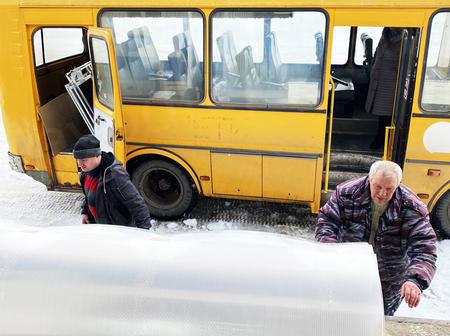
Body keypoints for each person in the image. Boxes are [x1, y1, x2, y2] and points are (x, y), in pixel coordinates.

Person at [315, 160, 437, 316]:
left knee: (378, 319)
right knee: (344, 315)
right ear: (369, 179)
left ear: (398, 185)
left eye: (389, 189)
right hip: (347, 271)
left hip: (388, 281)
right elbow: (327, 221)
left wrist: (414, 280)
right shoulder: (346, 193)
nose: (382, 193)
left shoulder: (412, 207)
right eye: (377, 187)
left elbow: (425, 248)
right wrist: (330, 249)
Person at [73, 134, 152, 229]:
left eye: (84, 160)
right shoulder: (85, 174)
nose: (80, 164)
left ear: (97, 155)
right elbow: (88, 196)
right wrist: (85, 212)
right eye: (77, 160)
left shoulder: (114, 174)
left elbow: (136, 203)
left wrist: (144, 231)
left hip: (119, 231)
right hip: (101, 228)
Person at [365, 28, 403, 149]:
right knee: (382, 115)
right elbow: (378, 53)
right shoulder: (385, 34)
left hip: (391, 82)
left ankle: (383, 140)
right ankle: (381, 138)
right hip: (379, 79)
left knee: (387, 114)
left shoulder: (405, 38)